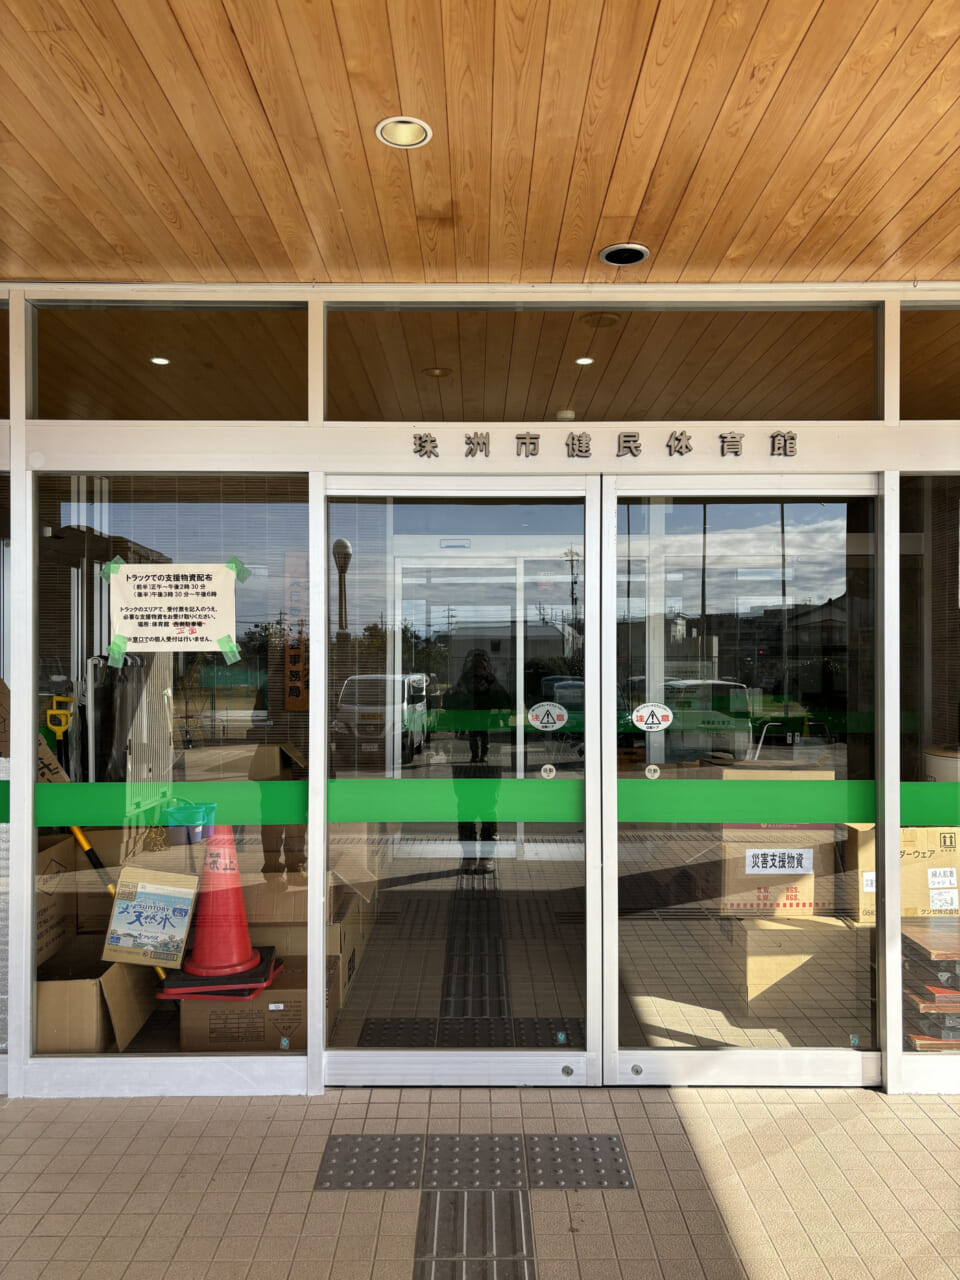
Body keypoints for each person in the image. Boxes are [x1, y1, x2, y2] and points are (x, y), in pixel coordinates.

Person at [447, 649, 511, 874]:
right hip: (464, 760)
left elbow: (506, 700)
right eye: (475, 665)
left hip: (489, 763)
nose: (477, 669)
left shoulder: (491, 682)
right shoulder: (463, 682)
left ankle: (486, 855)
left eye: (481, 665)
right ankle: (468, 856)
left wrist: (492, 687)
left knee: (488, 808)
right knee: (465, 809)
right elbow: (449, 702)